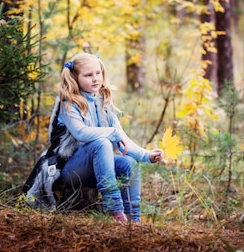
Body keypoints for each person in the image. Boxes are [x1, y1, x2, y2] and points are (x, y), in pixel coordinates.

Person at [55, 52, 164, 222]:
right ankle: (114, 208)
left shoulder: (103, 103)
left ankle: (133, 220)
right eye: (88, 75)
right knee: (101, 143)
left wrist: (146, 155)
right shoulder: (68, 103)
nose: (95, 79)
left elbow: (121, 138)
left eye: (98, 73)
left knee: (130, 164)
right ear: (75, 77)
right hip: (69, 168)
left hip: (96, 167)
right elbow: (81, 133)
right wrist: (110, 134)